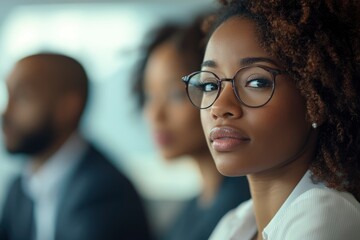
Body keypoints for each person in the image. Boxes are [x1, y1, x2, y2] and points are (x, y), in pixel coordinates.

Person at [181, 0, 360, 239]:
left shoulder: (326, 217)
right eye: (210, 85)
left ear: (315, 99)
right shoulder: (236, 224)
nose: (219, 107)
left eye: (257, 82)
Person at [0, 53, 152, 240]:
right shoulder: (20, 187)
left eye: (23, 96)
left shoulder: (105, 192)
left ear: (68, 107)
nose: (5, 112)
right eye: (8, 94)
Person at [133, 17, 250, 240]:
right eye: (149, 96)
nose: (154, 115)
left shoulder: (242, 208)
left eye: (175, 94)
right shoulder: (195, 207)